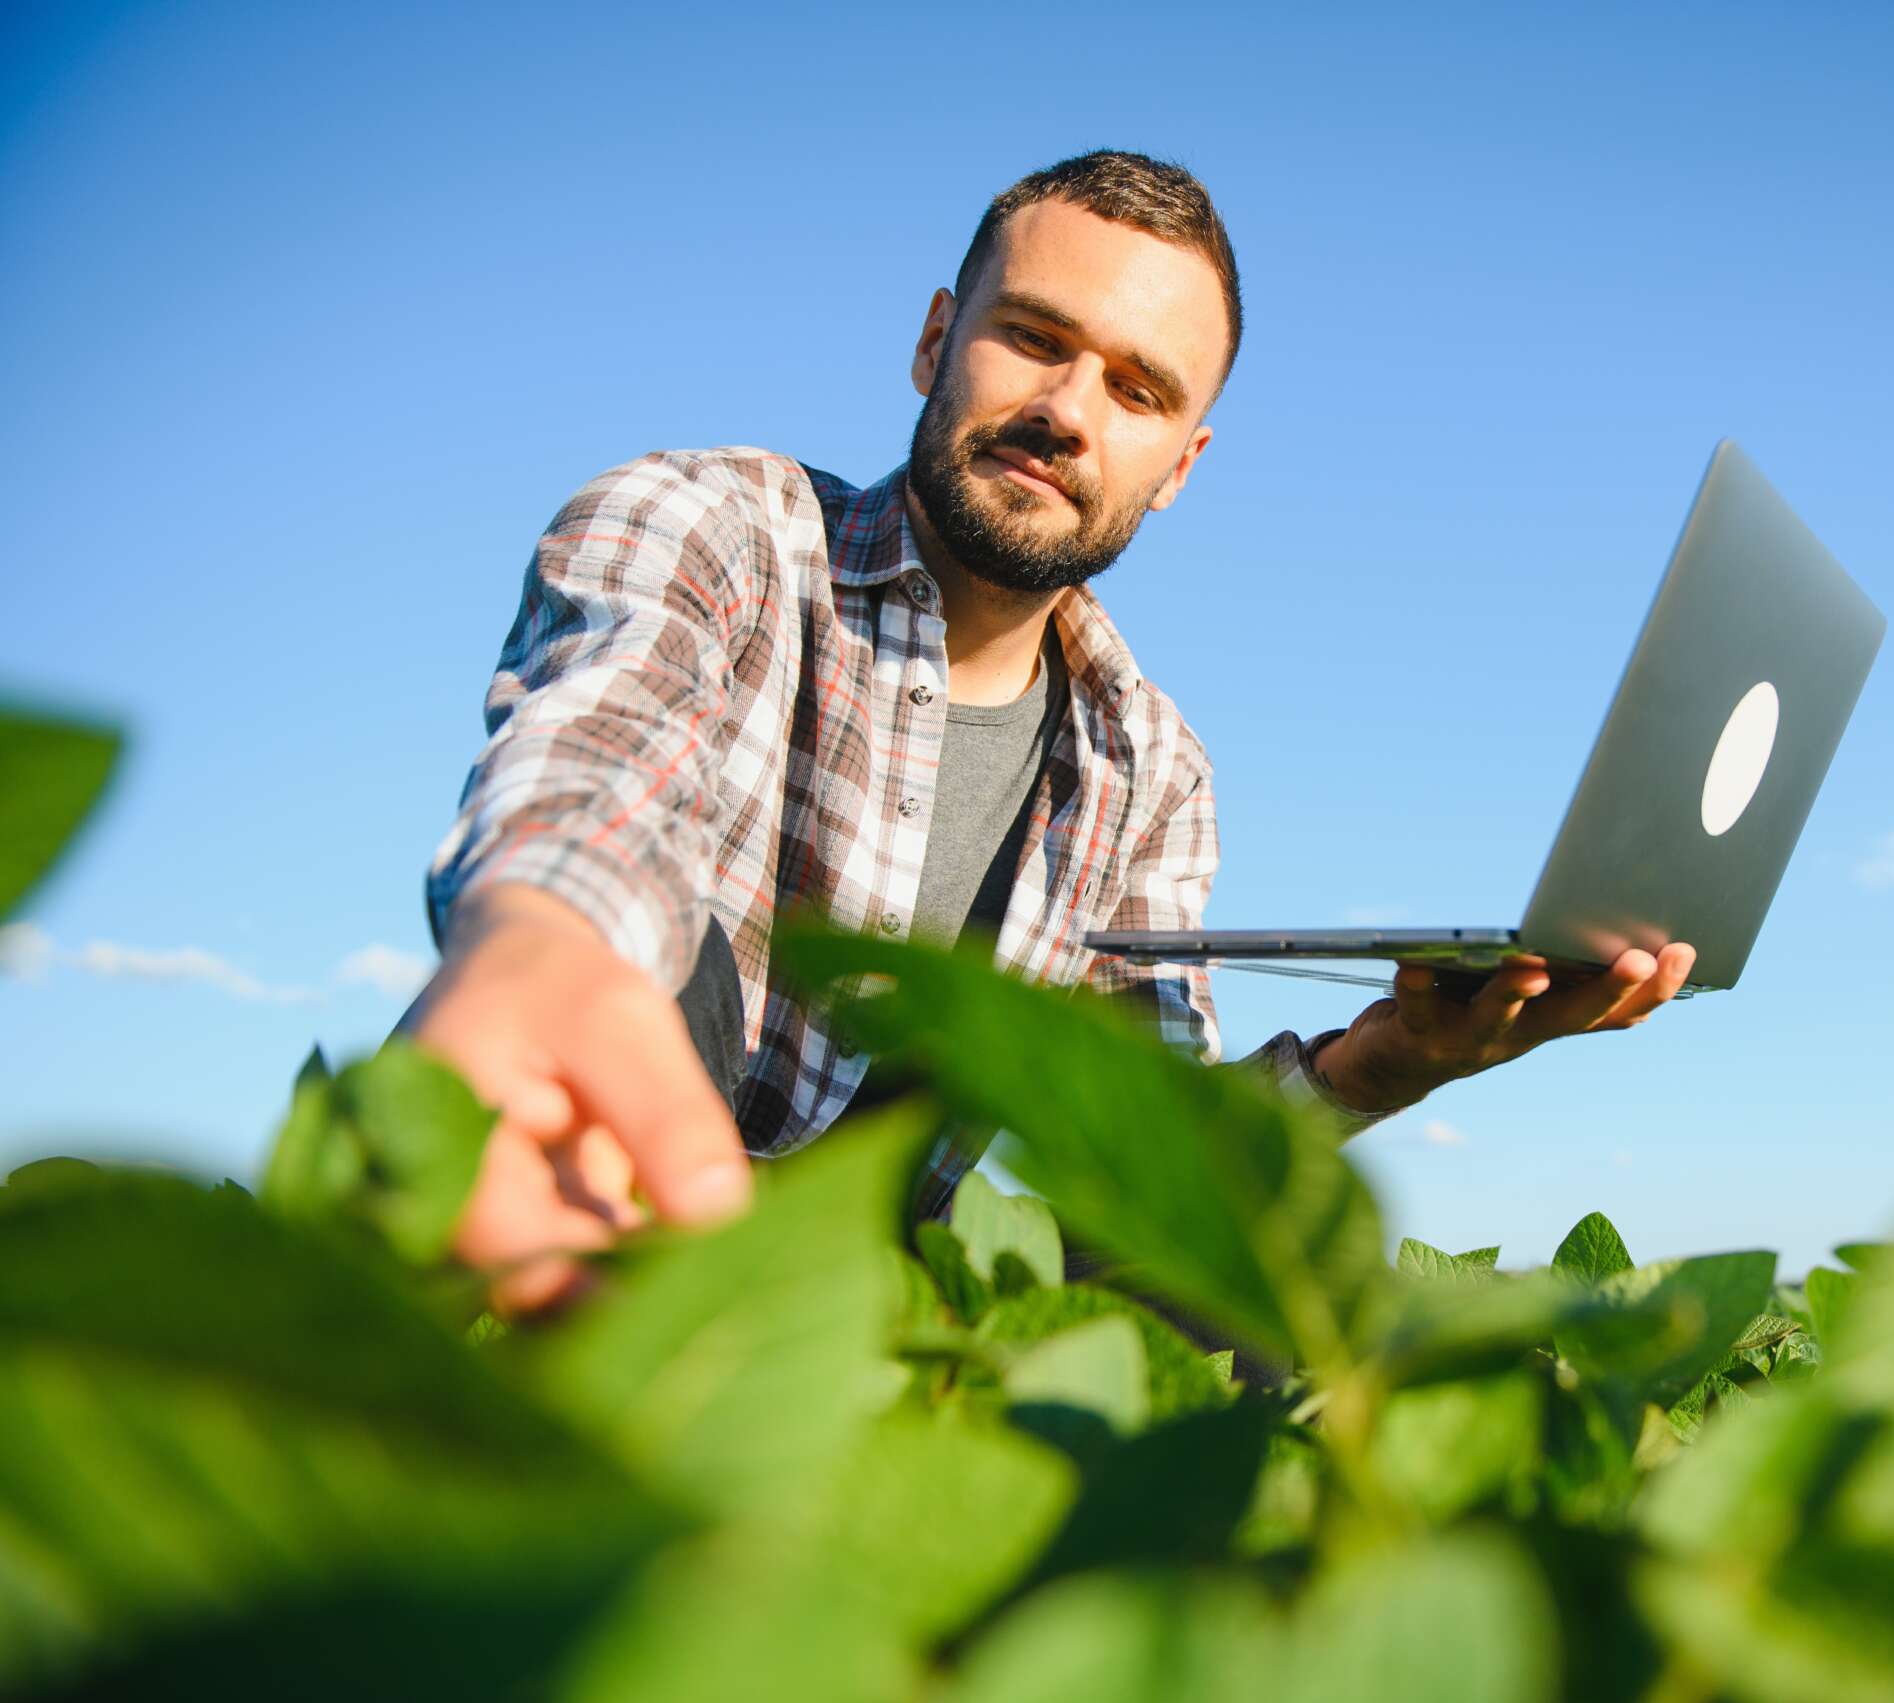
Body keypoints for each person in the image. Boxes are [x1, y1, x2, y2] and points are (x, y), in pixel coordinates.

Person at [398, 150, 1697, 1318]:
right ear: (933, 341)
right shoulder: (708, 525)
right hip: (602, 1174)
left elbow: (1147, 1151)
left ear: (1178, 467)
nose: (1069, 411)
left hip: (880, 1287)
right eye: (1033, 339)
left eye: (1137, 391)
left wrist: (1388, 1061)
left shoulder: (1152, 768)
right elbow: (594, 772)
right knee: (662, 952)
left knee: (1220, 1285)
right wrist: (538, 934)